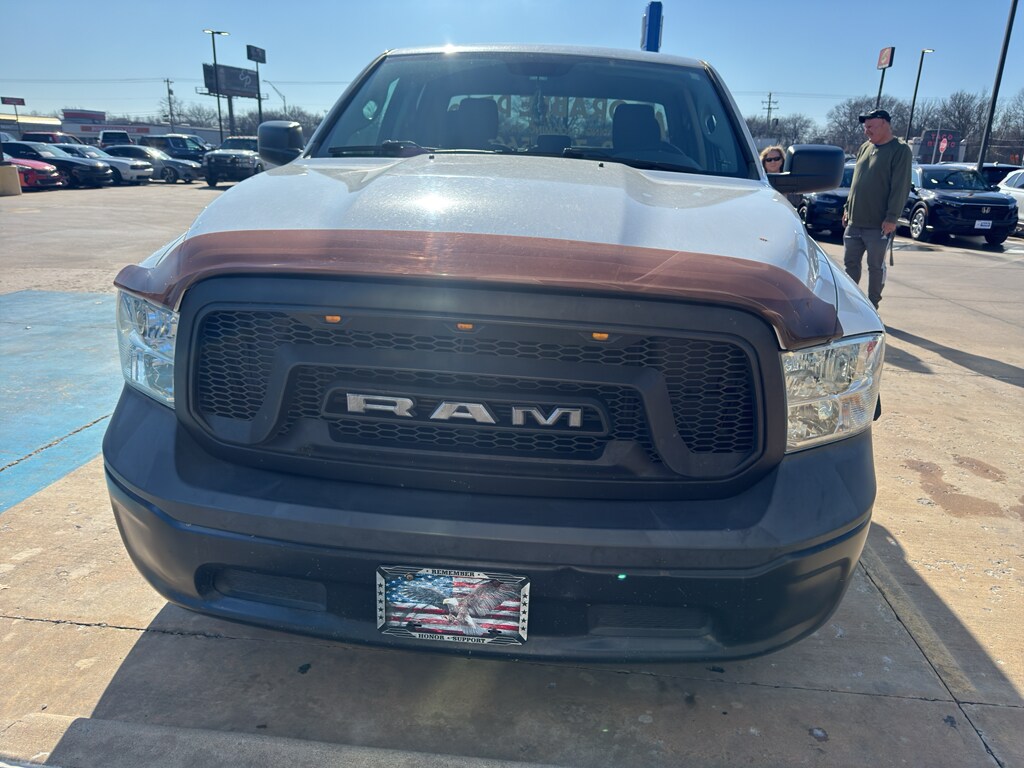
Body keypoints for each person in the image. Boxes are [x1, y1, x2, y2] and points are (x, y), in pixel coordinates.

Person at [842, 108, 913, 309]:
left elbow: (901, 186)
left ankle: (872, 305)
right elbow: (857, 181)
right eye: (866, 127)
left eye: (871, 126)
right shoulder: (865, 147)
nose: (867, 131)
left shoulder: (900, 150)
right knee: (850, 266)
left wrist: (892, 217)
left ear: (884, 124)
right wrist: (847, 207)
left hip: (878, 225)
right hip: (855, 222)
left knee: (875, 267)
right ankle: (850, 303)